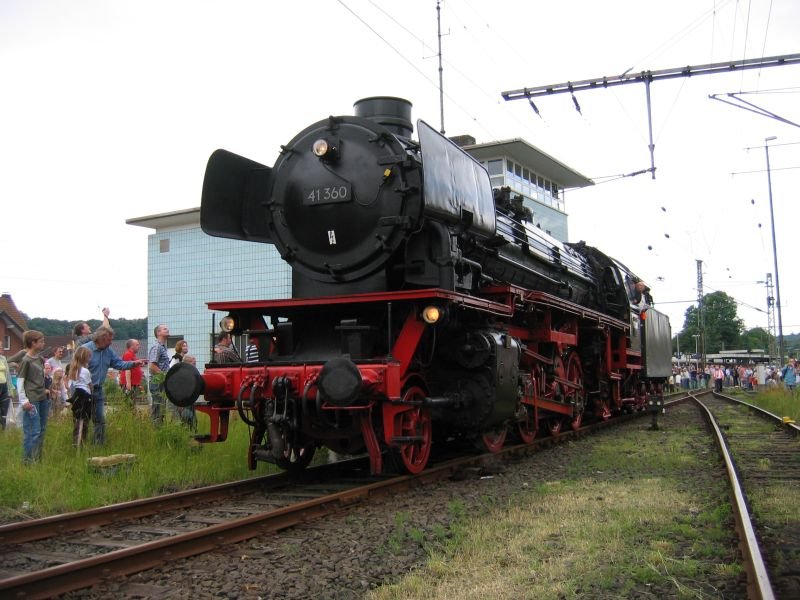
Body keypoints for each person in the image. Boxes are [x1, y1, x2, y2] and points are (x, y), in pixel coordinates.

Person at [83, 325, 142, 445]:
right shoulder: (85, 349)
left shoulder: (108, 351)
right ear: (101, 338)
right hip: (83, 391)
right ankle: (80, 446)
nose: (111, 342)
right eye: (109, 340)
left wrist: (133, 364)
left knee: (99, 420)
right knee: (82, 419)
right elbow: (75, 370)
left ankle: (98, 446)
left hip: (98, 390)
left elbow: (118, 363)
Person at [17, 330, 49, 463]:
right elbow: (20, 381)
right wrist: (24, 401)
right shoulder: (26, 360)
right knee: (32, 431)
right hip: (32, 400)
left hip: (42, 398)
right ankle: (28, 461)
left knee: (41, 429)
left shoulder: (39, 359)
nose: (43, 343)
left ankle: (37, 459)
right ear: (33, 343)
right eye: (40, 341)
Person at [67, 346, 93, 447]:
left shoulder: (73, 370)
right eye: (89, 357)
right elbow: (90, 385)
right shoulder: (85, 371)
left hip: (76, 395)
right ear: (85, 358)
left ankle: (76, 440)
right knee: (84, 420)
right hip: (85, 396)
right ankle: (82, 441)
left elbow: (71, 385)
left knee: (77, 419)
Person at [148, 323, 171, 425]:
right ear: (158, 333)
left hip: (161, 381)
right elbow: (152, 366)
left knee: (161, 407)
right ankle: (156, 430)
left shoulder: (162, 347)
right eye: (165, 329)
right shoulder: (156, 346)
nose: (167, 330)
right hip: (157, 382)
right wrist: (165, 376)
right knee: (158, 407)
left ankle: (159, 429)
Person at [119, 339, 143, 405]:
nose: (139, 346)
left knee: (132, 403)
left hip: (133, 383)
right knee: (129, 403)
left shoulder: (133, 355)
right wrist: (128, 383)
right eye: (137, 345)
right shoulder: (128, 354)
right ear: (132, 346)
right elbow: (127, 369)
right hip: (130, 384)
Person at [0, 346, 10, 430]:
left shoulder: (3, 358)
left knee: (5, 406)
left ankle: (3, 428)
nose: (1, 348)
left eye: (1, 347)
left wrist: (10, 388)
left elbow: (7, 374)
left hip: (4, 385)